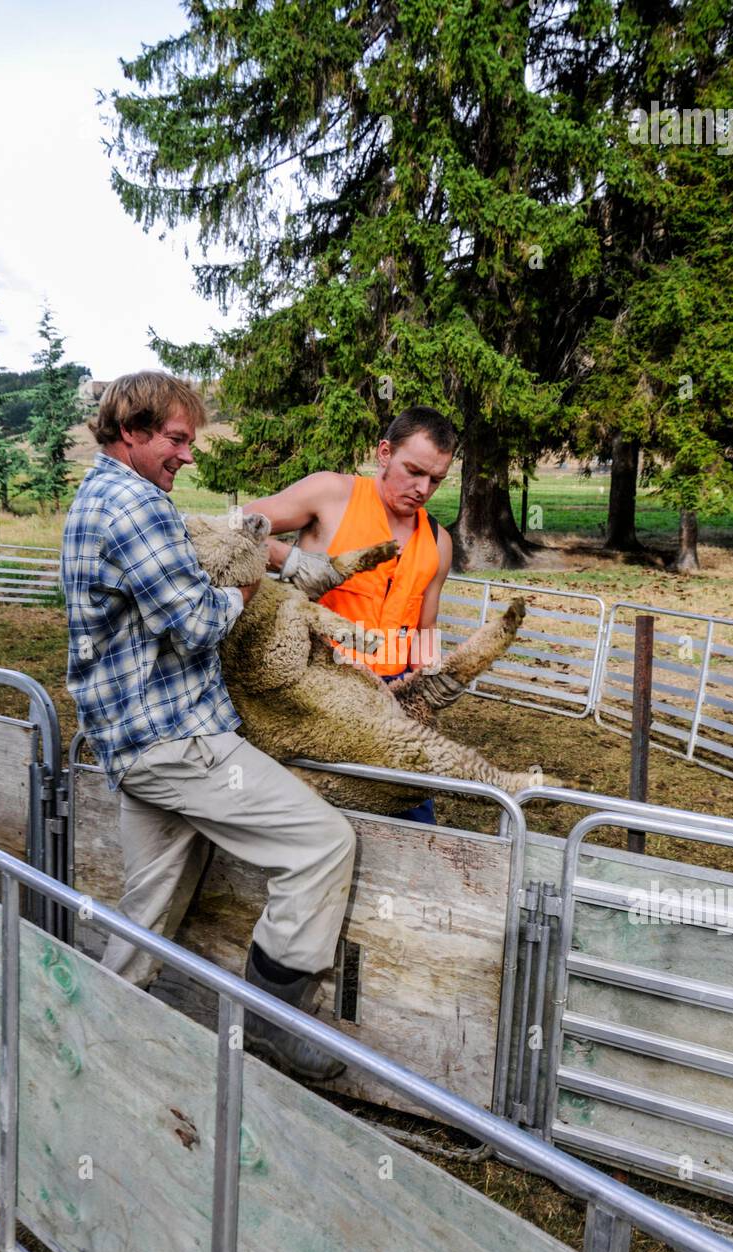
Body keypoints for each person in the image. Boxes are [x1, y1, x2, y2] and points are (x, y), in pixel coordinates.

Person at [60, 371, 355, 1082]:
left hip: (132, 742)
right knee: (321, 845)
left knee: (148, 912)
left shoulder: (96, 497)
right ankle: (272, 1022)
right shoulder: (134, 507)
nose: (187, 456)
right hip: (179, 741)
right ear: (130, 431)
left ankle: (84, 1050)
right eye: (176, 439)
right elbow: (194, 624)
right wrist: (247, 582)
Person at [240, 406, 462, 823]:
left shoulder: (438, 541)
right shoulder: (331, 495)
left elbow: (424, 626)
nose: (422, 488)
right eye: (413, 471)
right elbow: (238, 526)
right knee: (311, 811)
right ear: (384, 453)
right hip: (318, 685)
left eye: (435, 479)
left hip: (390, 698)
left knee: (409, 814)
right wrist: (291, 560)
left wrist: (429, 687)